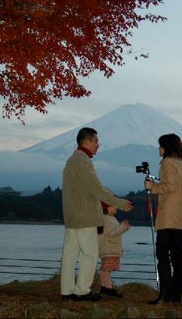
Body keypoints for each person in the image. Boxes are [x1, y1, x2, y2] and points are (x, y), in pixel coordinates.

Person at [60, 127, 133, 302]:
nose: (98, 145)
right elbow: (96, 189)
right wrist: (119, 203)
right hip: (85, 216)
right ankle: (82, 290)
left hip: (71, 216)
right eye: (96, 141)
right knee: (90, 254)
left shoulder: (71, 161)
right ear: (86, 141)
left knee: (70, 254)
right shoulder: (83, 161)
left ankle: (67, 290)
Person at [145, 133, 182, 304]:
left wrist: (153, 187)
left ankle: (165, 293)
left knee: (163, 255)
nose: (159, 148)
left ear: (167, 147)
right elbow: (177, 186)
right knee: (178, 256)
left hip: (168, 218)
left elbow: (170, 186)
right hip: (181, 217)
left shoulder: (167, 163)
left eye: (160, 145)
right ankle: (176, 295)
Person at [98, 202, 130, 298]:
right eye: (113, 206)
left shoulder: (107, 218)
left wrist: (121, 227)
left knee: (105, 269)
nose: (116, 207)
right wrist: (123, 227)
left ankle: (104, 287)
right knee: (107, 269)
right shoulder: (107, 219)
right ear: (107, 209)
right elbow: (112, 233)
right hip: (109, 248)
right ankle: (108, 288)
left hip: (107, 248)